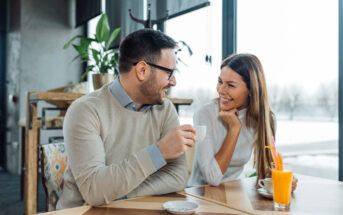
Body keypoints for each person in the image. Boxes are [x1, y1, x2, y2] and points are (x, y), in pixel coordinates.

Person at [57, 29, 196, 209]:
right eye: (169, 73)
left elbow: (178, 175)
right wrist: (158, 152)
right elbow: (95, 191)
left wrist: (123, 195)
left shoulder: (165, 109)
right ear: (142, 70)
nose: (173, 82)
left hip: (134, 209)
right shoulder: (85, 110)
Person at [188, 53, 298, 190]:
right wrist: (234, 129)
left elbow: (266, 168)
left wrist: (281, 178)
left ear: (251, 90)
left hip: (236, 192)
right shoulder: (204, 114)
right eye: (220, 82)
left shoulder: (265, 119)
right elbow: (212, 178)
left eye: (231, 85)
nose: (221, 90)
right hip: (201, 194)